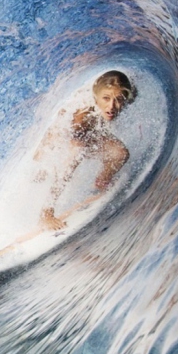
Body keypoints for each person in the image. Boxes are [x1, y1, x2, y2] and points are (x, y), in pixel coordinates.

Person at [35, 70, 137, 232]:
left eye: (118, 100)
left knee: (120, 153)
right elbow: (68, 161)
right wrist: (47, 210)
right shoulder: (82, 116)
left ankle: (101, 182)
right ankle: (44, 213)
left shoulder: (128, 94)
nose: (111, 106)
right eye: (106, 99)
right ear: (96, 98)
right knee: (56, 165)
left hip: (88, 131)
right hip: (58, 135)